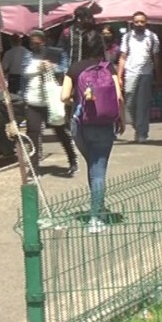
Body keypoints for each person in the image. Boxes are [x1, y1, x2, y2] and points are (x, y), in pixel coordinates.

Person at [61, 30, 125, 233]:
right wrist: (121, 119)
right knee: (99, 171)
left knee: (92, 166)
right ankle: (96, 217)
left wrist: (78, 100)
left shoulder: (75, 68)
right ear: (102, 48)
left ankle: (97, 208)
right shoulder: (109, 68)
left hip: (80, 125)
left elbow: (63, 97)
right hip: (105, 125)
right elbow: (119, 96)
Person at [21, 29, 78, 178]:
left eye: (38, 43)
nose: (35, 46)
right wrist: (37, 67)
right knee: (33, 133)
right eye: (32, 43)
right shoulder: (28, 56)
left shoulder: (56, 54)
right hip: (33, 100)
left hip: (51, 101)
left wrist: (53, 67)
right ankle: (34, 167)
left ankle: (72, 159)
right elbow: (24, 72)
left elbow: (66, 69)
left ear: (44, 41)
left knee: (60, 131)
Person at [117, 11, 161, 143]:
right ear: (132, 23)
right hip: (130, 73)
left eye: (142, 21)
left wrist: (158, 75)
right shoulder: (127, 37)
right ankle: (137, 126)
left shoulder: (152, 37)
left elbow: (156, 58)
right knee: (129, 102)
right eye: (136, 22)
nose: (139, 24)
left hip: (146, 73)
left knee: (143, 104)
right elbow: (123, 57)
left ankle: (142, 133)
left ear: (146, 22)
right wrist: (119, 76)